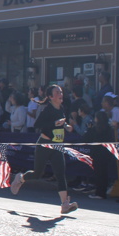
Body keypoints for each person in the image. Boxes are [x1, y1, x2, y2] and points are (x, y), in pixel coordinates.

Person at [10, 84, 79, 215]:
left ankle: (65, 204)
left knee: (60, 174)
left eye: (61, 92)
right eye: (57, 92)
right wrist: (54, 124)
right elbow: (38, 124)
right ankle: (21, 178)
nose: (60, 94)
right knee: (38, 173)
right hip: (44, 144)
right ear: (51, 97)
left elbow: (61, 121)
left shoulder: (61, 108)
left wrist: (66, 126)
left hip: (57, 145)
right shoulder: (47, 110)